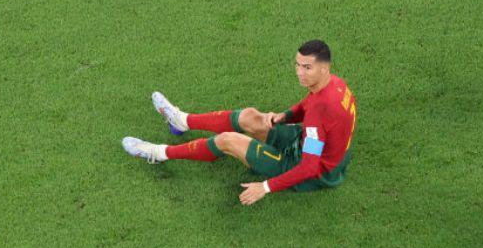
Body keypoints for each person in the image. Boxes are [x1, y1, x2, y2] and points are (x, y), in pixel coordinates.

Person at [121, 40, 356, 206]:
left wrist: (264, 187)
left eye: (307, 67)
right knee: (250, 117)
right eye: (297, 65)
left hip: (311, 169)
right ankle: (182, 121)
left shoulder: (320, 114)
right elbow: (308, 105)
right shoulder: (334, 84)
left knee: (227, 140)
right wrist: (284, 117)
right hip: (307, 141)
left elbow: (309, 166)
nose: (300, 73)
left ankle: (159, 153)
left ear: (324, 68)